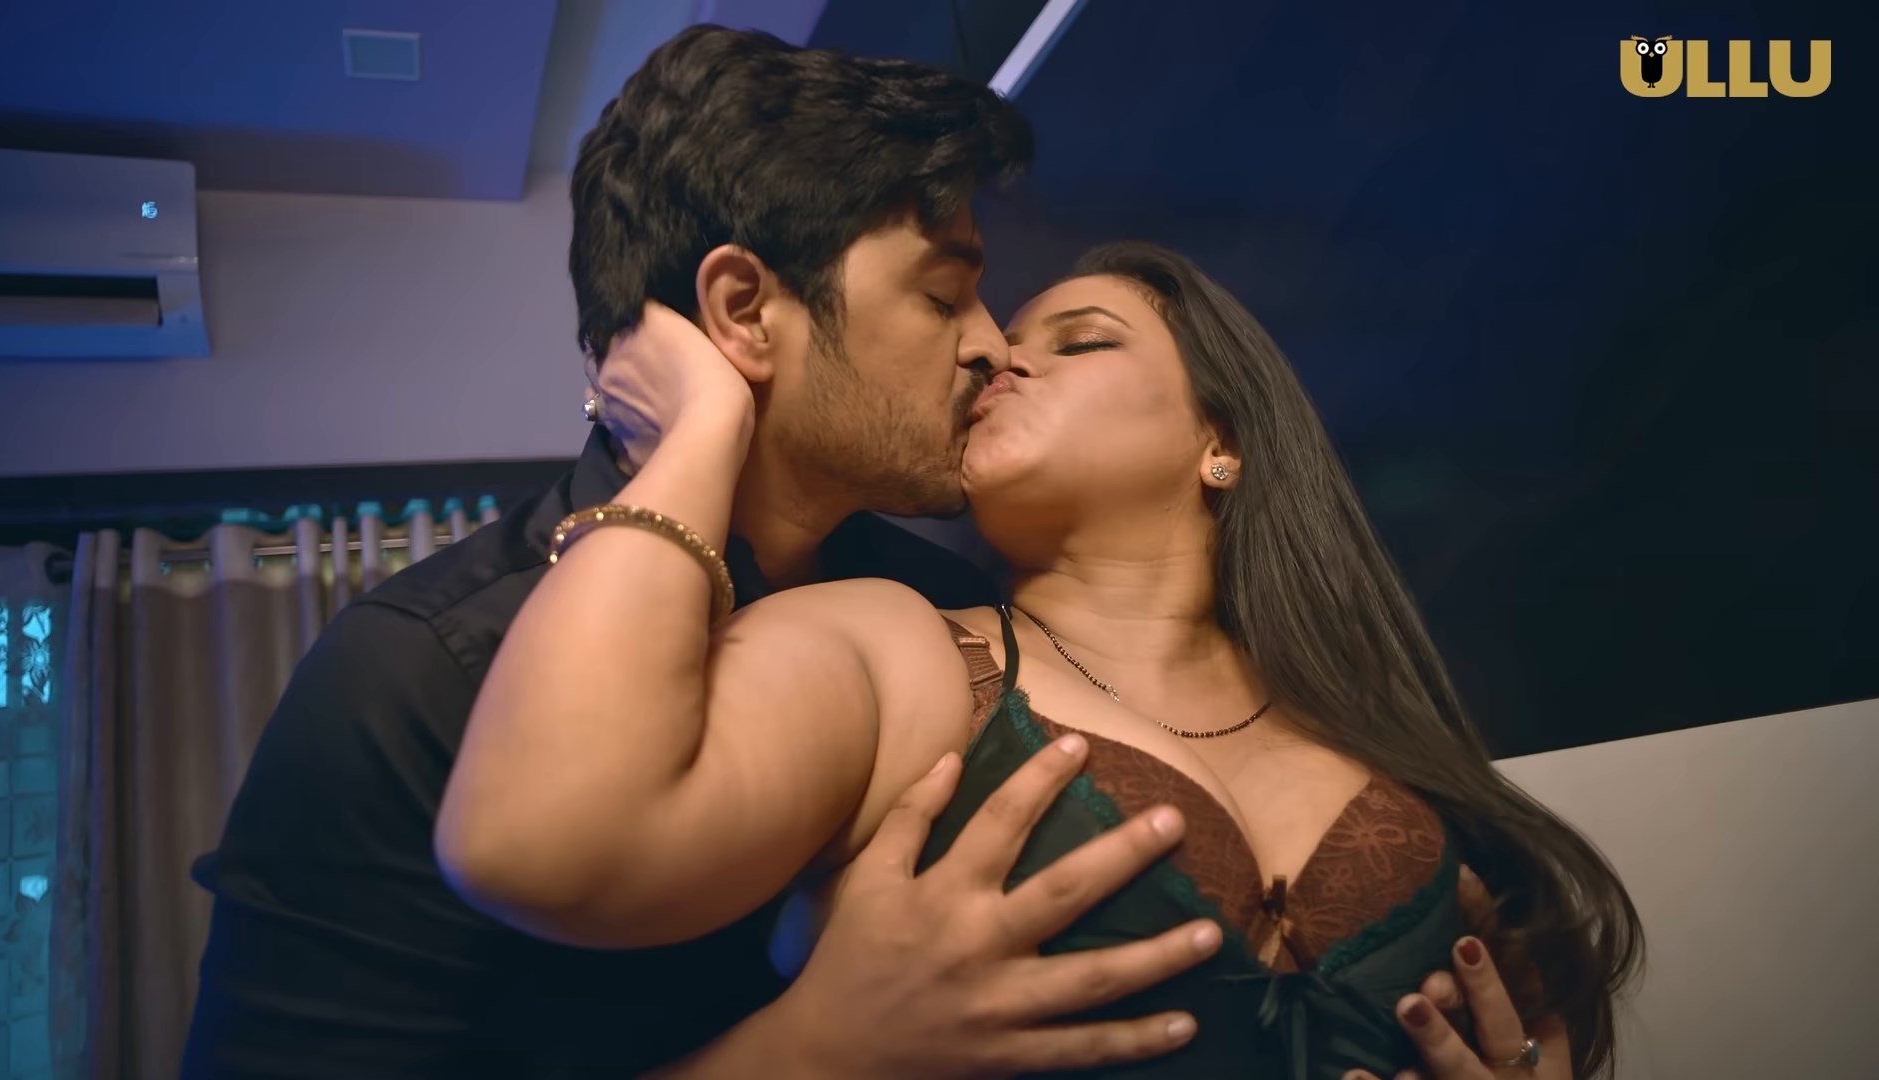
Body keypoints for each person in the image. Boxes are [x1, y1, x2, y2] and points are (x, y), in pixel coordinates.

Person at [185, 24, 1551, 1080]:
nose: (989, 346)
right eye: (948, 293)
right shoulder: (424, 671)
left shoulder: (943, 610)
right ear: (743, 310)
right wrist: (809, 1053)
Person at [439, 243, 1643, 1077]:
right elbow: (536, 838)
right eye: (1000, 339)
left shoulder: (1375, 736)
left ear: (1220, 441)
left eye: (1081, 342)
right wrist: (705, 429)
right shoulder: (892, 651)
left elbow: (1548, 1012)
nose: (998, 360)